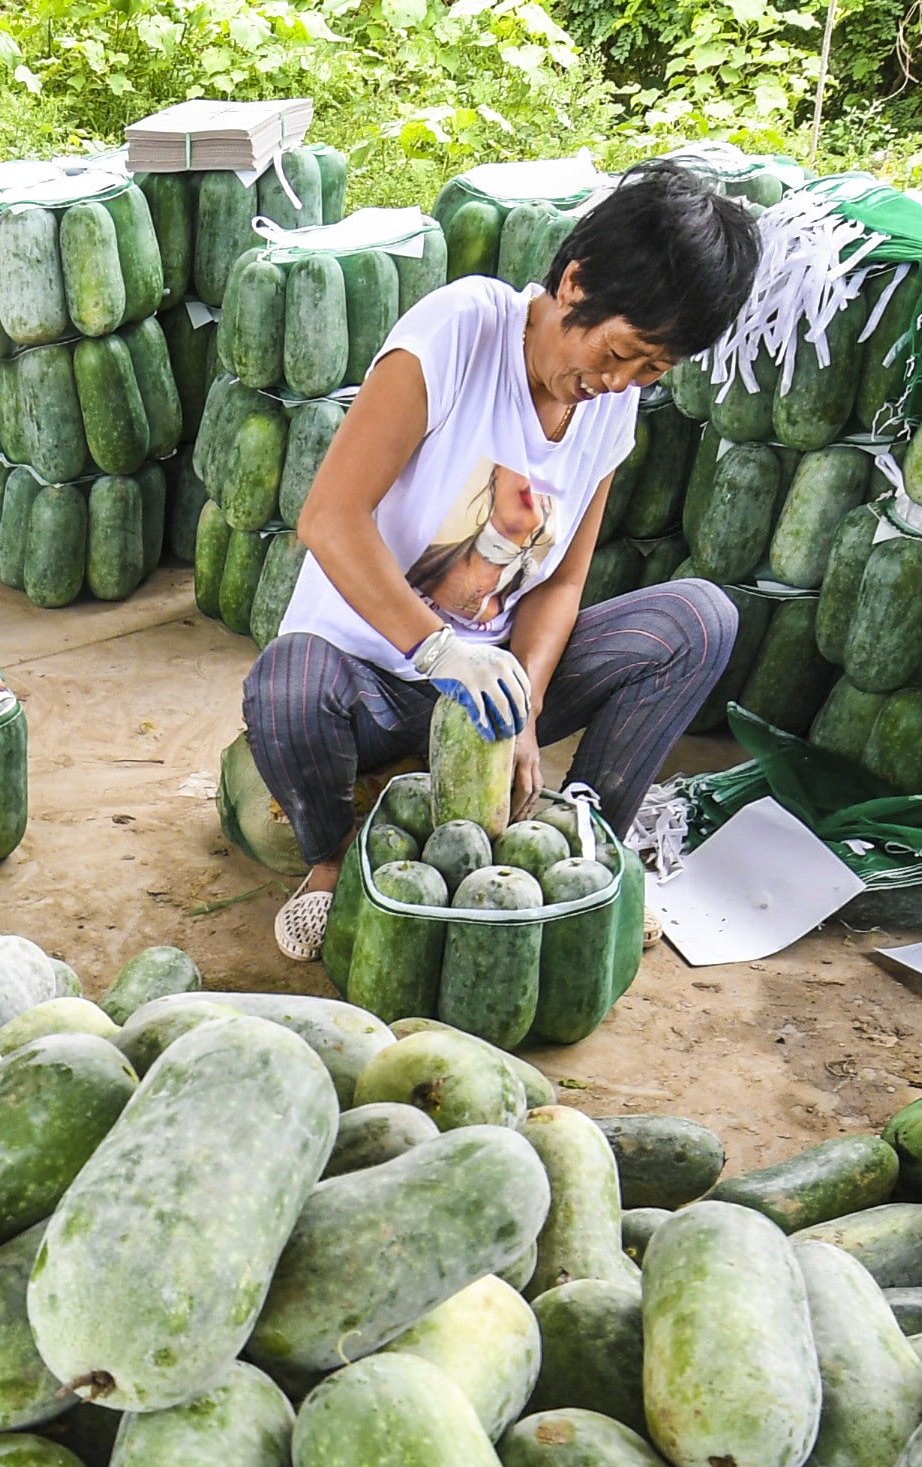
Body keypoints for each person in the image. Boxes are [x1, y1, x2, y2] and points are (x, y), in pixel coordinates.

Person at [243, 160, 763, 960]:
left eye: (650, 370)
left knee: (699, 619)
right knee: (286, 685)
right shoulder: (460, 329)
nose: (617, 383)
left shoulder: (609, 411)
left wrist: (523, 704)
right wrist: (438, 648)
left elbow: (561, 582)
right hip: (369, 682)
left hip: (490, 694)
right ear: (576, 283)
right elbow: (329, 519)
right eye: (619, 352)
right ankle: (332, 861)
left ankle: (577, 838)